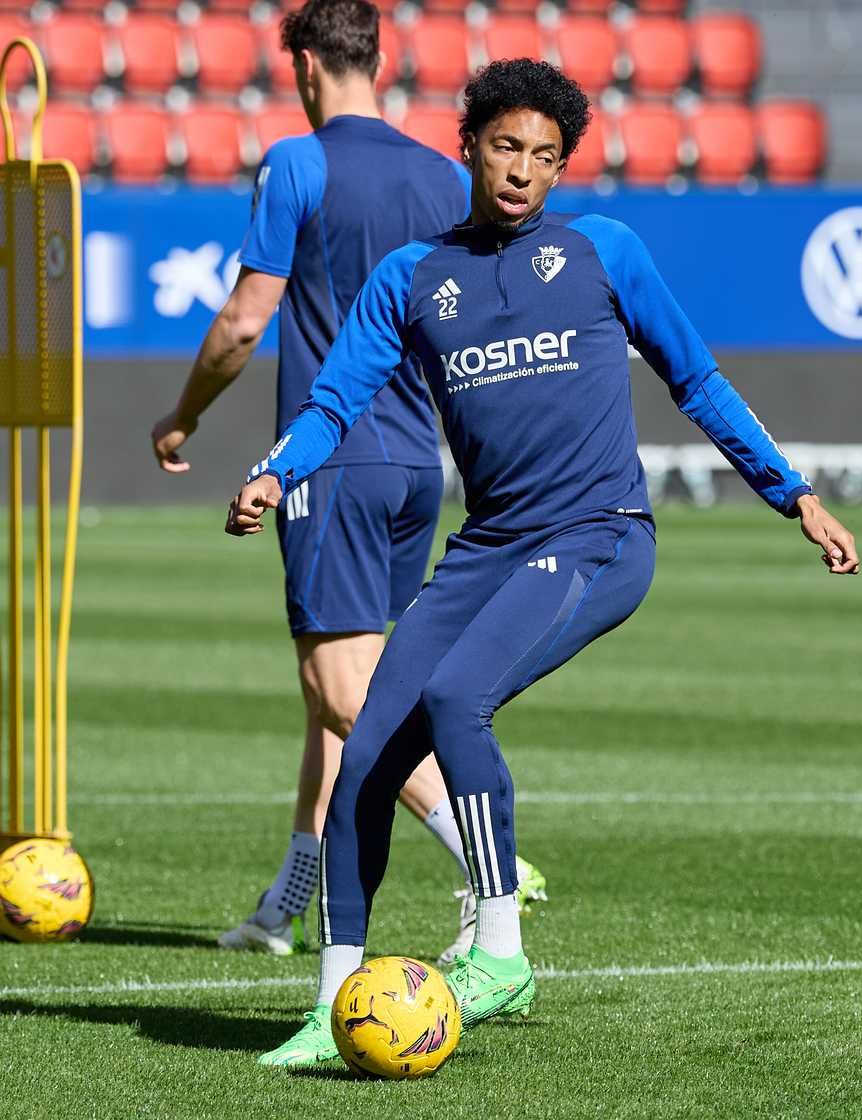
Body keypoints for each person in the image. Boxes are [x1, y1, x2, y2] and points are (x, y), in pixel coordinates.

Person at [227, 58, 861, 1068]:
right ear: (470, 148)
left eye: (545, 155)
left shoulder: (604, 251)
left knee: (457, 701)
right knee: (364, 765)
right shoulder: (412, 278)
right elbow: (335, 400)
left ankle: (501, 953)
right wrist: (275, 473)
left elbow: (697, 380)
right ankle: (331, 1001)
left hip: (599, 534)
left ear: (563, 166)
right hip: (486, 548)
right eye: (506, 147)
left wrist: (795, 495)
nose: (523, 169)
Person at [150, 0, 544, 961]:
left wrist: (183, 414)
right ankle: (285, 903)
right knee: (347, 688)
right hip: (415, 465)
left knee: (338, 688)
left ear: (306, 66)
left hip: (332, 457)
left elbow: (247, 318)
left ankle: (487, 860)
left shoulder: (297, 162)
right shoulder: (445, 173)